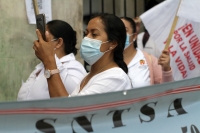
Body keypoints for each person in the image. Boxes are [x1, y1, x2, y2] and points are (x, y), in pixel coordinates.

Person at [32, 13, 132, 97]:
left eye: (94, 34)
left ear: (113, 44)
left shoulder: (115, 77)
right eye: (86, 33)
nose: (86, 39)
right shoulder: (88, 76)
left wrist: (49, 61)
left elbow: (69, 111)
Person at [17, 20, 87, 101]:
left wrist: (50, 57)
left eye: (44, 39)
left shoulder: (73, 67)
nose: (40, 43)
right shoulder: (41, 67)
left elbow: (75, 98)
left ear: (59, 43)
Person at [121, 17, 174, 88]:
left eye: (124, 30)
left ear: (134, 36)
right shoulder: (105, 60)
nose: (119, 34)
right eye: (116, 30)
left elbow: (166, 89)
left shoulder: (149, 60)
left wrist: (166, 69)